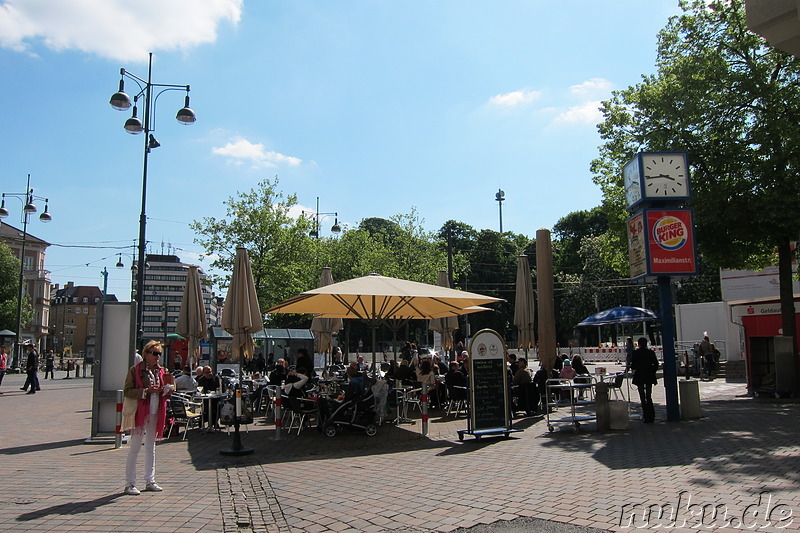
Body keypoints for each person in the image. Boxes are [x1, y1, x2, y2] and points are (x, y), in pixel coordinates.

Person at [123, 341, 173, 495]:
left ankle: (150, 480)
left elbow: (170, 386)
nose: (157, 357)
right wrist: (145, 391)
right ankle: (130, 483)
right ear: (146, 354)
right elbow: (128, 390)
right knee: (135, 447)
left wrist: (167, 389)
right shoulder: (136, 370)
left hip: (155, 411)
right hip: (140, 411)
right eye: (155, 353)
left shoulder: (162, 371)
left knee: (151, 447)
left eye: (159, 354)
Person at [630, 337, 659, 423]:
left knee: (642, 397)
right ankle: (651, 415)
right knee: (649, 396)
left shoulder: (636, 353)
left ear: (638, 344)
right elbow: (656, 364)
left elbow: (633, 366)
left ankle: (646, 415)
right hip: (649, 376)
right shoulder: (650, 352)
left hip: (640, 376)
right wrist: (652, 371)